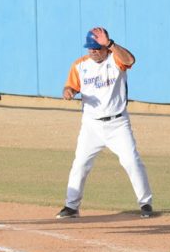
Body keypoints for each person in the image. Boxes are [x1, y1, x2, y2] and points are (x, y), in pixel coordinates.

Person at [57, 28, 153, 220]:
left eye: (96, 47)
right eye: (90, 48)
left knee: (131, 162)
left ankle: (145, 203)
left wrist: (110, 44)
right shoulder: (80, 65)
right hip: (91, 125)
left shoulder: (114, 59)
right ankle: (71, 206)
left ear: (105, 47)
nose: (92, 51)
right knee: (80, 164)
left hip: (118, 123)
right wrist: (68, 91)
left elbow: (130, 60)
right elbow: (70, 86)